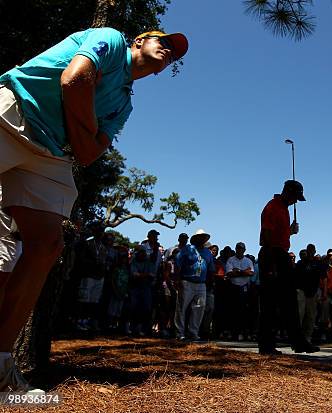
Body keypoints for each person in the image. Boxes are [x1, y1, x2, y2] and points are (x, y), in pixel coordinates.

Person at [0, 28, 188, 392]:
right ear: (138, 40)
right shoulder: (112, 41)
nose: (168, 50)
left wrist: (77, 114)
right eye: (162, 41)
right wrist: (82, 122)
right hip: (13, 113)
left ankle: (0, 366)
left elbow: (87, 155)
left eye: (174, 54)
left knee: (46, 246)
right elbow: (74, 79)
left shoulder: (123, 103)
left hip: (50, 152)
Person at [258, 180, 317, 355]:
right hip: (272, 254)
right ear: (287, 192)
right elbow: (267, 236)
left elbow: (278, 234)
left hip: (281, 254)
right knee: (269, 303)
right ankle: (266, 344)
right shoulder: (273, 207)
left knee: (289, 302)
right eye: (295, 197)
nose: (296, 201)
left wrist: (290, 231)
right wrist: (272, 264)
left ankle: (298, 342)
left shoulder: (284, 209)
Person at [174, 229, 209, 341]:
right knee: (182, 307)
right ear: (196, 238)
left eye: (204, 237)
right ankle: (180, 333)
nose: (202, 239)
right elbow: (178, 263)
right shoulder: (187, 249)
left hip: (201, 284)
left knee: (199, 308)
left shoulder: (207, 252)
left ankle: (193, 332)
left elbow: (210, 268)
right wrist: (177, 280)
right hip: (187, 282)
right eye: (200, 237)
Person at [225, 242, 255, 341]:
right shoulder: (231, 260)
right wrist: (244, 272)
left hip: (244, 288)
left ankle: (244, 332)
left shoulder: (248, 260)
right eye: (238, 248)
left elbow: (251, 273)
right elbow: (229, 274)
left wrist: (237, 271)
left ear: (244, 250)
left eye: (241, 248)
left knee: (244, 311)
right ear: (236, 249)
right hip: (233, 287)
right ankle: (233, 332)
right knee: (233, 310)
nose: (239, 250)